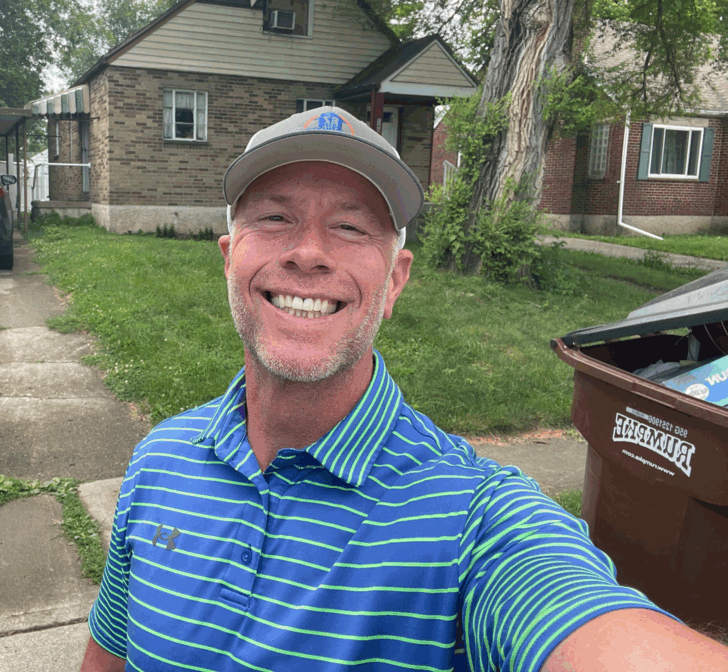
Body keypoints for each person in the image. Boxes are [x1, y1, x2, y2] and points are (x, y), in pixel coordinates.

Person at [81, 106, 728, 671]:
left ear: (395, 281)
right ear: (229, 258)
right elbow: (107, 654)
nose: (307, 252)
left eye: (351, 227)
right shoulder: (159, 461)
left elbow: (587, 625)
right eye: (274, 217)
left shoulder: (474, 522)